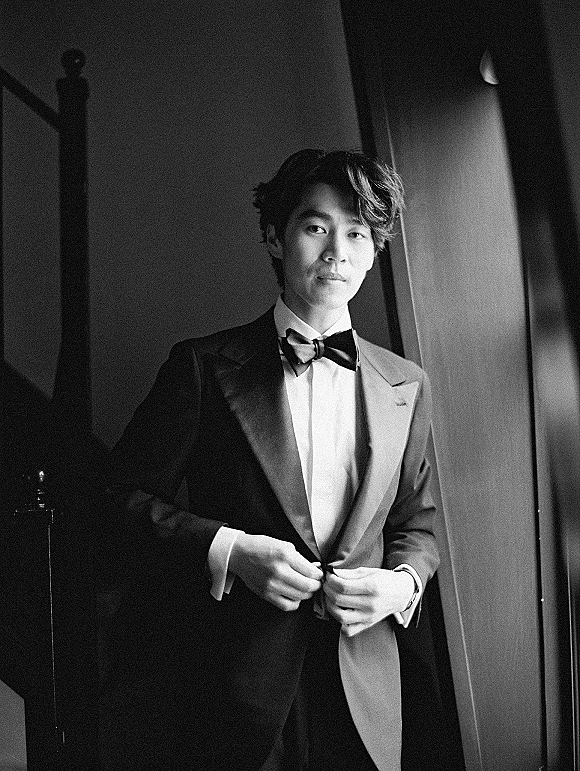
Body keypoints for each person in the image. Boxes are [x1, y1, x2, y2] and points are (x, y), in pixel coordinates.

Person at [99, 148, 439, 771]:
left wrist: (399, 584)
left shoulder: (405, 384)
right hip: (228, 689)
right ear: (274, 238)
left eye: (357, 233)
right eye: (316, 227)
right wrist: (230, 549)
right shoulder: (200, 367)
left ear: (374, 250)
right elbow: (117, 503)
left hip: (363, 690)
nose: (337, 250)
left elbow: (418, 526)